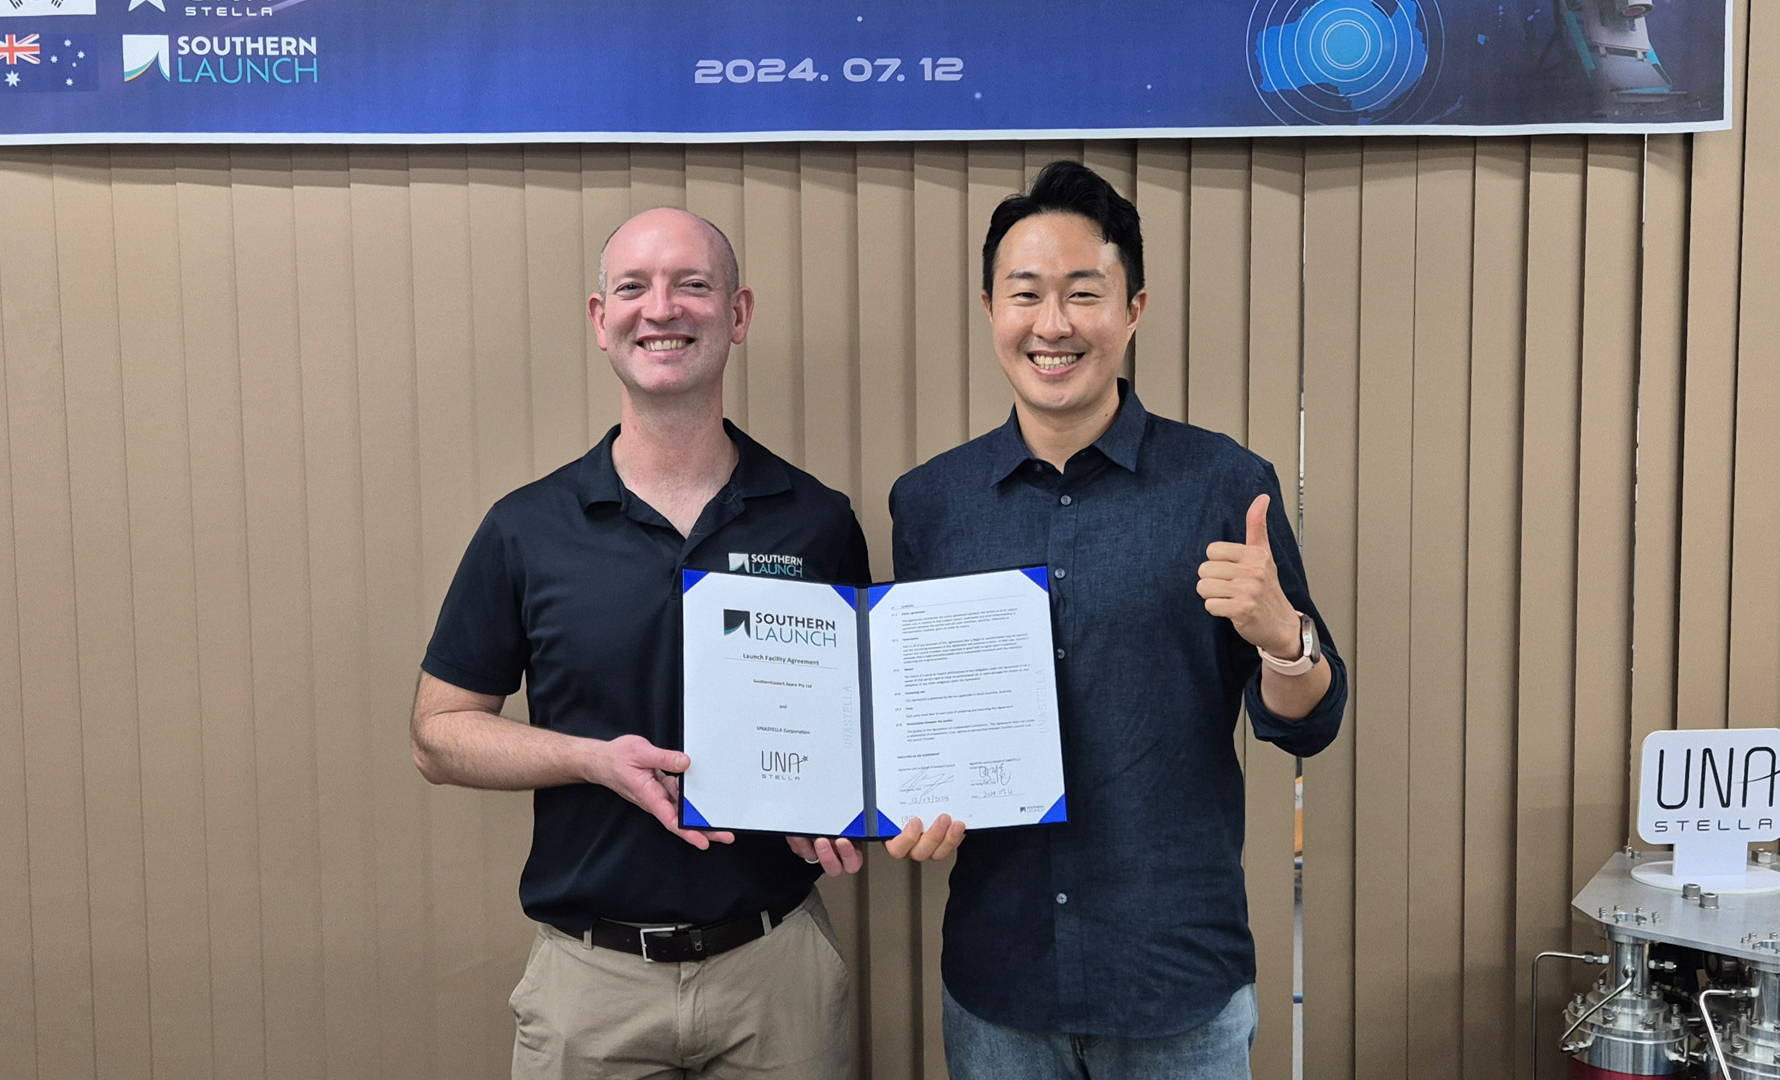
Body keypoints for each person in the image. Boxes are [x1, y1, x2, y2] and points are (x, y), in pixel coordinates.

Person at [888, 160, 1347, 1079]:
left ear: (1134, 308)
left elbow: (1311, 721)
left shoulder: (1224, 485)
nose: (1052, 325)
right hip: (1001, 983)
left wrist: (1282, 639)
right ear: (989, 309)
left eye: (1083, 294)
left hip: (1175, 977)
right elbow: (918, 717)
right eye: (1025, 294)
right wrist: (905, 801)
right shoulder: (931, 504)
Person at [410, 206, 872, 1079]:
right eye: (634, 287)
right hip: (591, 985)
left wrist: (838, 809)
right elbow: (438, 735)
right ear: (600, 319)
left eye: (693, 285)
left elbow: (855, 725)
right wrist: (591, 760)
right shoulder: (526, 528)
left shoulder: (817, 521)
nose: (662, 308)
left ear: (737, 314)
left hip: (777, 979)